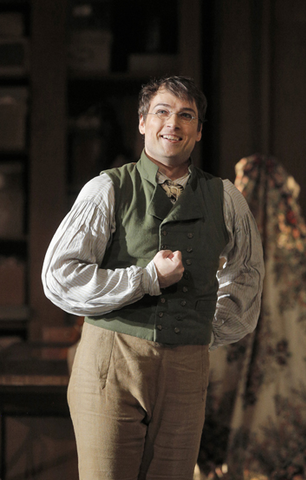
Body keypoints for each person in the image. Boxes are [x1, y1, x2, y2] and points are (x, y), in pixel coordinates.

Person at [41, 75, 264, 480]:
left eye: (185, 115)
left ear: (198, 130)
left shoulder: (225, 197)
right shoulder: (107, 188)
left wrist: (206, 327)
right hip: (112, 361)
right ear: (142, 122)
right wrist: (144, 279)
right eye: (162, 112)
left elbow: (246, 273)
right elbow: (60, 276)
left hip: (187, 367)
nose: (172, 124)